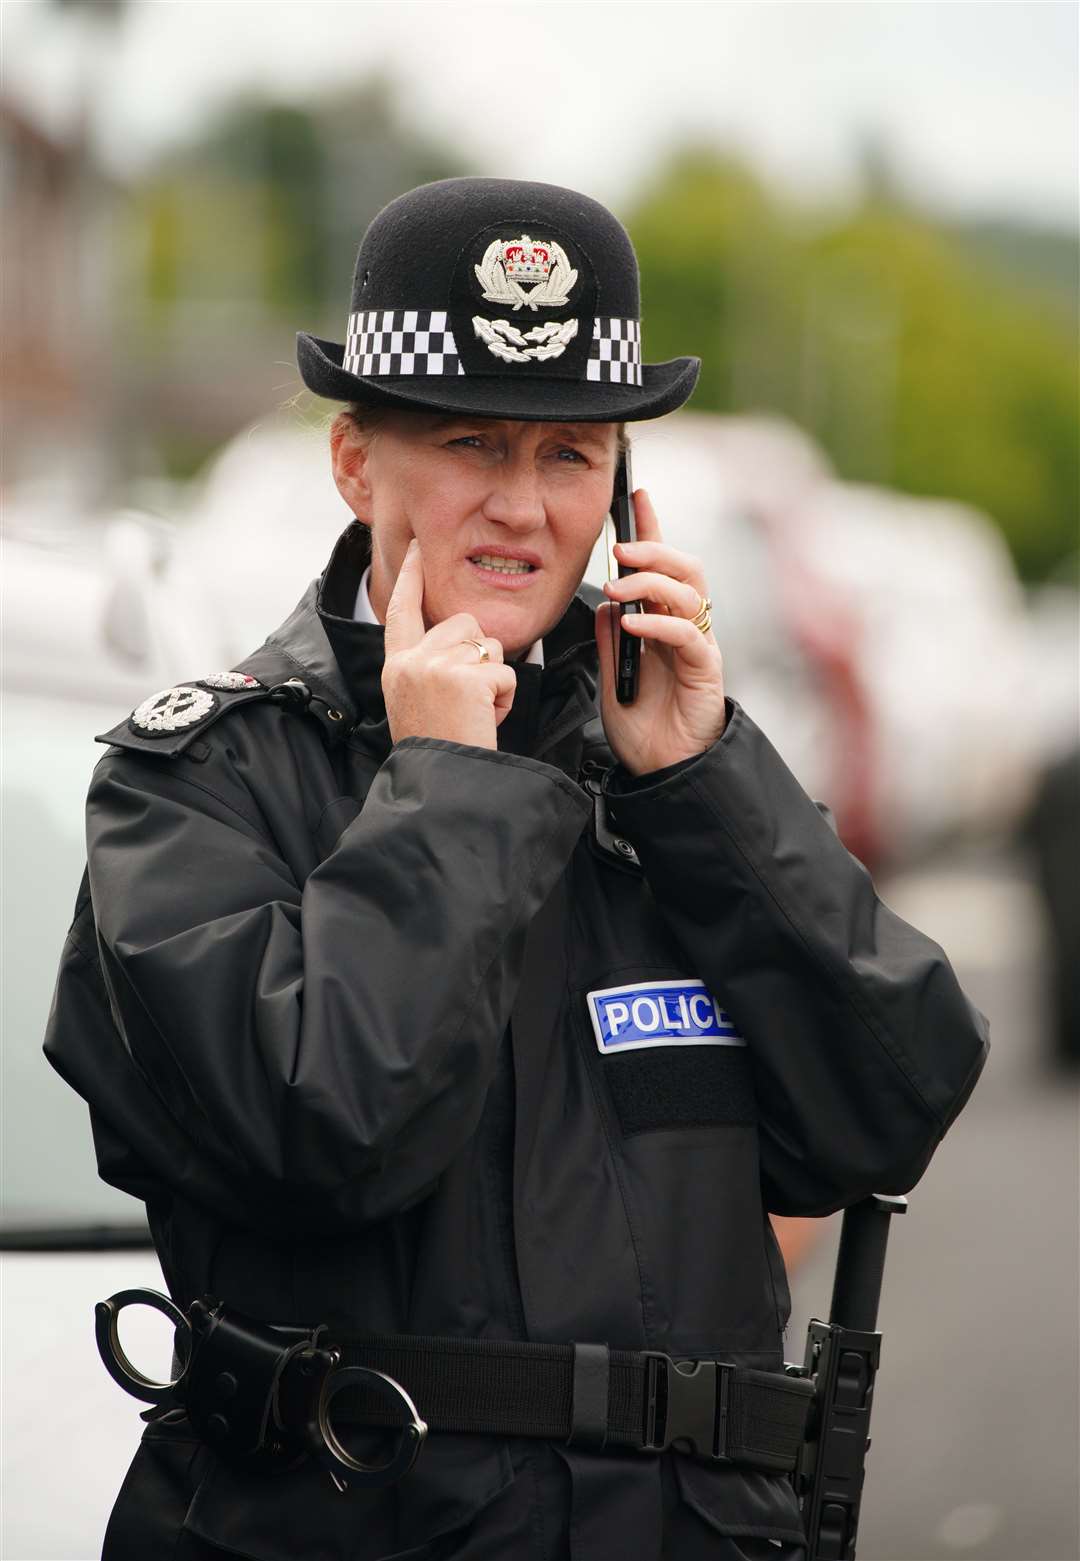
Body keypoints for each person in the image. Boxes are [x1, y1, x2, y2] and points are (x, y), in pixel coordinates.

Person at [45, 177, 988, 1561]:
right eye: (472, 442)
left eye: (569, 455)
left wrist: (709, 781)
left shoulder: (668, 765)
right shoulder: (199, 784)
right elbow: (327, 1125)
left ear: (623, 488)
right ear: (356, 462)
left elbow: (889, 1104)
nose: (523, 507)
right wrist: (452, 791)